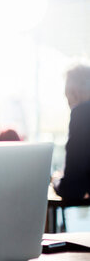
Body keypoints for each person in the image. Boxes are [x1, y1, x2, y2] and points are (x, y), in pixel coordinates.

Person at [53, 64, 90, 200]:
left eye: (66, 96)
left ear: (74, 93)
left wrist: (56, 181)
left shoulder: (81, 114)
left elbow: (72, 188)